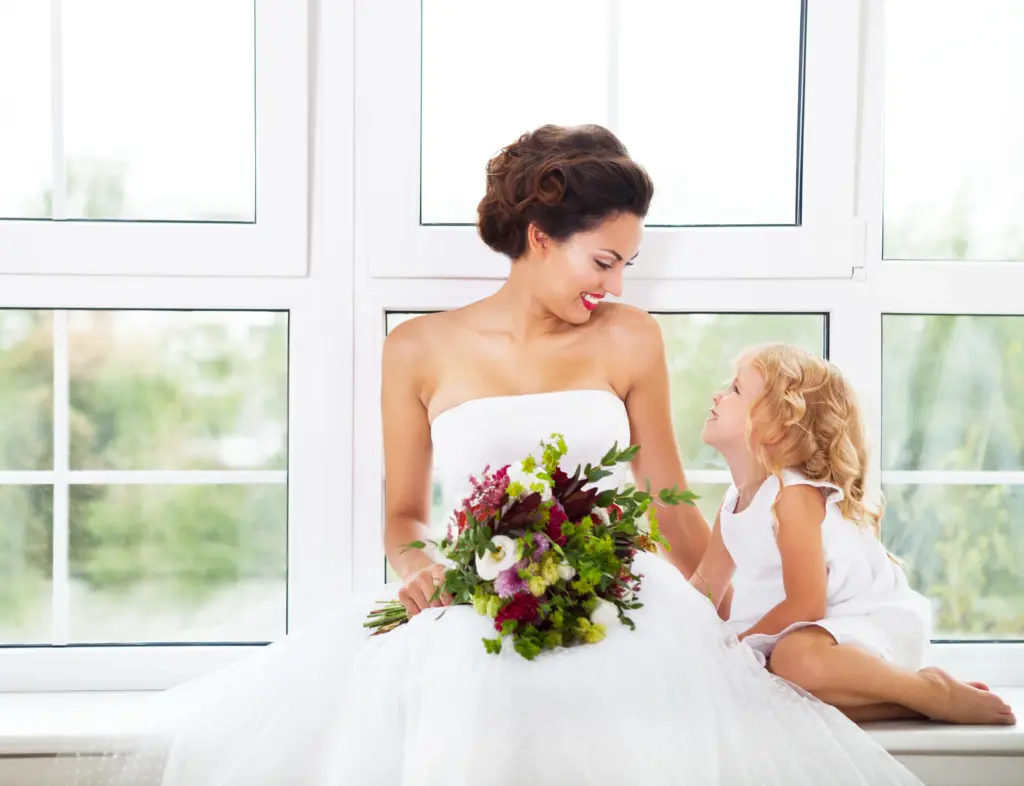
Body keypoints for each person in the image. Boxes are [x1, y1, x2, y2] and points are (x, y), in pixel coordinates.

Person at [59, 124, 925, 785]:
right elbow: (405, 516)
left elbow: (666, 498)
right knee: (467, 701)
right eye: (604, 260)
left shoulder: (631, 338)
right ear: (541, 235)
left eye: (628, 264)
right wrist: (420, 567)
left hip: (623, 601)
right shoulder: (417, 349)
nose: (616, 284)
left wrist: (726, 617)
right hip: (475, 598)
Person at [690, 343, 1016, 726]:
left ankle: (933, 692)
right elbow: (704, 587)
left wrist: (734, 649)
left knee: (789, 660)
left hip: (868, 625)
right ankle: (918, 700)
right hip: (812, 638)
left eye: (735, 390)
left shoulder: (791, 496)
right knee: (757, 683)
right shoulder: (733, 503)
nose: (717, 395)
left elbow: (805, 607)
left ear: (777, 427)